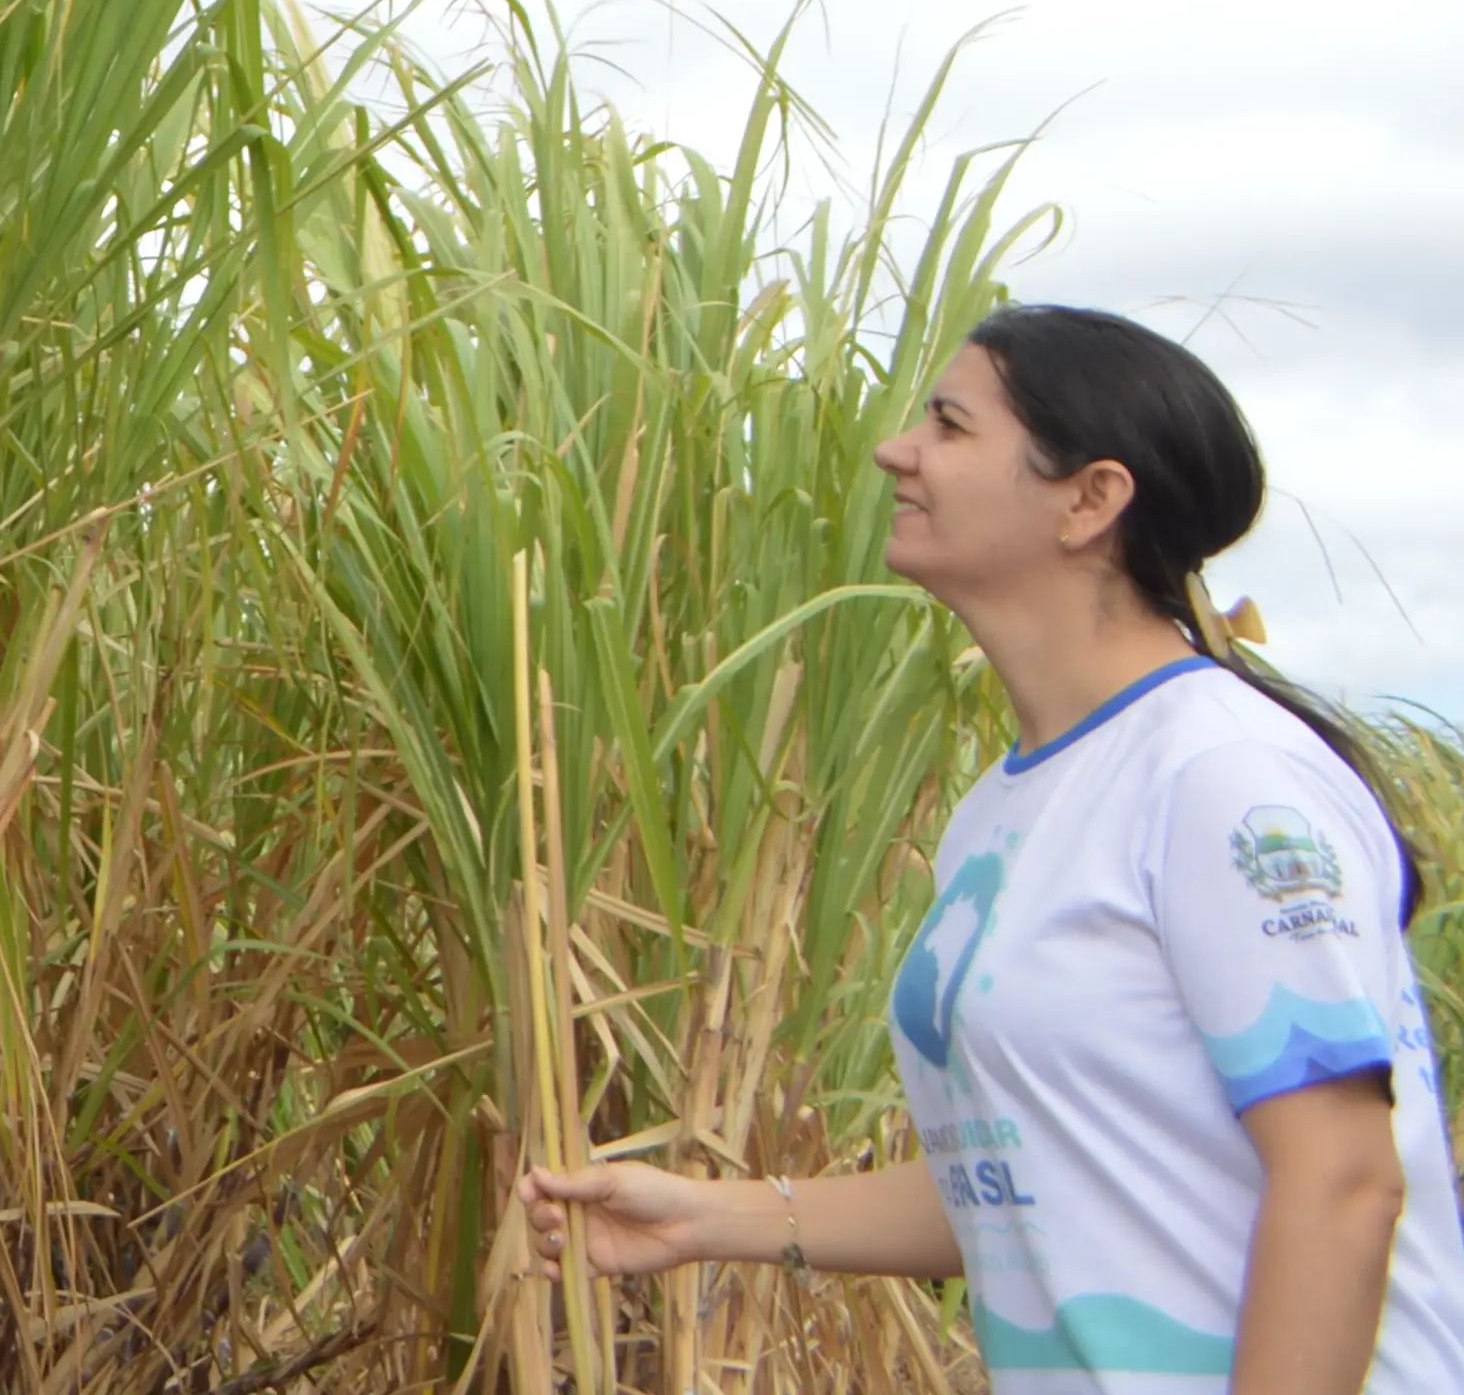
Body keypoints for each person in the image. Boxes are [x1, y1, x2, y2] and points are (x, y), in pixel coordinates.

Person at [523, 305, 1460, 1395]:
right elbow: (1026, 1178)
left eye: (950, 426)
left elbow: (1344, 1179)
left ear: (1090, 499)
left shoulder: (1219, 776)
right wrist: (706, 1216)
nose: (896, 449)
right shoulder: (1009, 806)